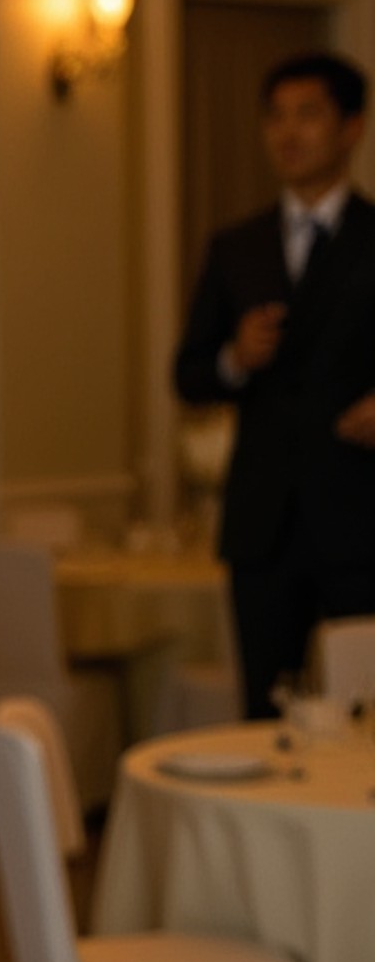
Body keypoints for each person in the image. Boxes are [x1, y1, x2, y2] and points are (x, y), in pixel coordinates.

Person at [174, 49, 375, 718]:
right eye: (276, 117)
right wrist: (235, 356)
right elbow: (189, 371)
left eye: (308, 115)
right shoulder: (238, 245)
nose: (288, 133)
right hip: (263, 520)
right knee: (264, 709)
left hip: (360, 513)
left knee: (365, 708)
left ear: (351, 127)